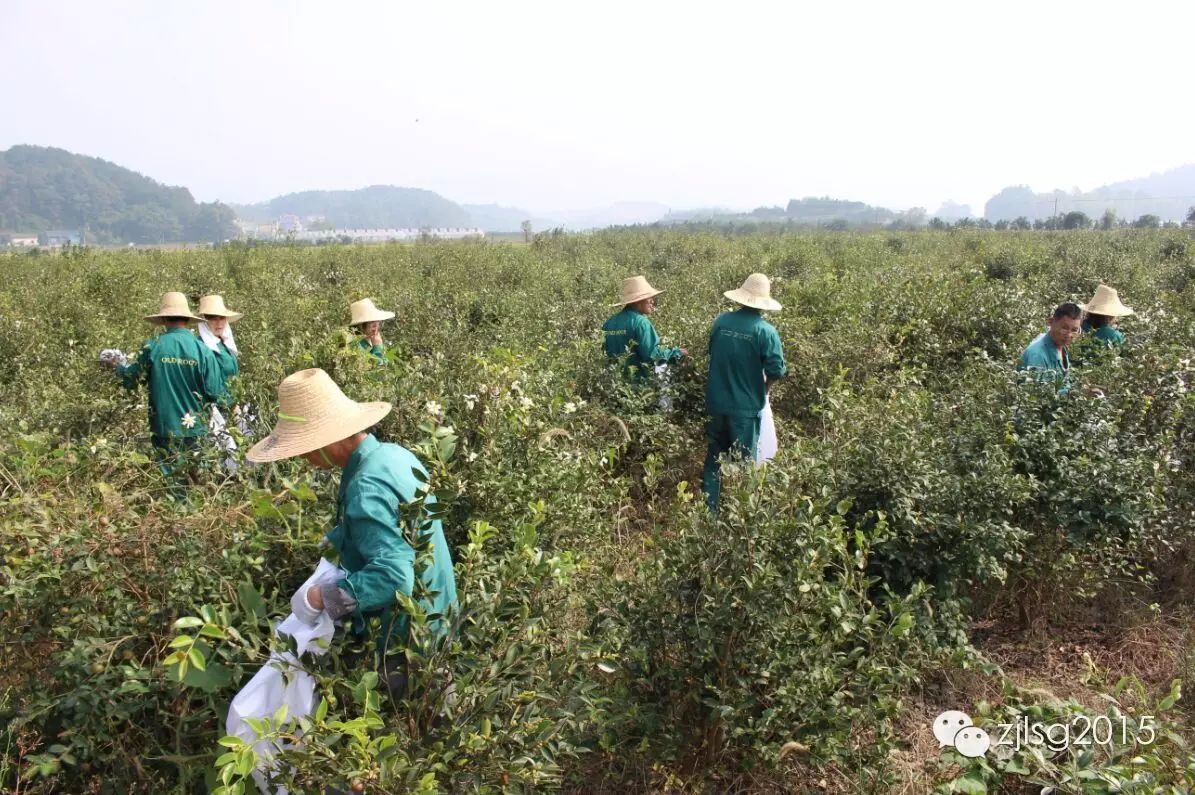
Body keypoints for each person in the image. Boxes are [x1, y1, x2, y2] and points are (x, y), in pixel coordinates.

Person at [246, 368, 458, 698]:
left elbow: (393, 578)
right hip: (440, 618)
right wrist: (342, 537)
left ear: (331, 439)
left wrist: (322, 598)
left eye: (306, 448)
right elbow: (398, 530)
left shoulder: (364, 486)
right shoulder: (393, 455)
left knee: (400, 730)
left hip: (406, 641)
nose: (304, 458)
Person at [103, 291, 229, 492]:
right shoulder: (202, 350)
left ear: (162, 319)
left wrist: (116, 366)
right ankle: (198, 515)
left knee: (173, 480)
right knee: (199, 480)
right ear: (187, 319)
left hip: (164, 427)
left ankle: (179, 516)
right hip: (197, 428)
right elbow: (216, 392)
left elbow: (132, 380)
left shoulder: (153, 347)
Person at [702, 273, 786, 511]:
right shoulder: (765, 331)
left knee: (714, 458)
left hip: (716, 403)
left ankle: (710, 512)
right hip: (745, 408)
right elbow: (776, 370)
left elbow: (713, 353)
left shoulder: (721, 322)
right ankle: (740, 518)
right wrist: (764, 390)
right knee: (743, 462)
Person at [602, 276, 686, 380]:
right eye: (649, 298)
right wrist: (676, 353)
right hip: (638, 389)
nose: (652, 302)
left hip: (614, 387)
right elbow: (652, 356)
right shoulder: (641, 323)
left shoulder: (608, 323)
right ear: (638, 301)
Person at [198, 294, 245, 468]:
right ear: (203, 321)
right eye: (213, 318)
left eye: (222, 318)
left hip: (233, 407)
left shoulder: (224, 344)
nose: (219, 323)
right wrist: (230, 405)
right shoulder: (203, 347)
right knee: (227, 458)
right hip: (215, 410)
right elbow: (211, 386)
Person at [1018, 302, 1082, 391]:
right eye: (1064, 328)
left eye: (1074, 330)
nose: (1069, 335)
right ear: (1051, 322)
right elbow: (1040, 395)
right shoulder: (1037, 354)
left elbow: (1064, 380)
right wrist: (1074, 392)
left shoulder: (1060, 344)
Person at [349, 298, 394, 364]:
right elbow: (376, 367)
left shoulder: (374, 339)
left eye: (377, 321)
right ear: (360, 325)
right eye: (371, 322)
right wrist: (377, 347)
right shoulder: (355, 345)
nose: (375, 325)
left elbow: (386, 365)